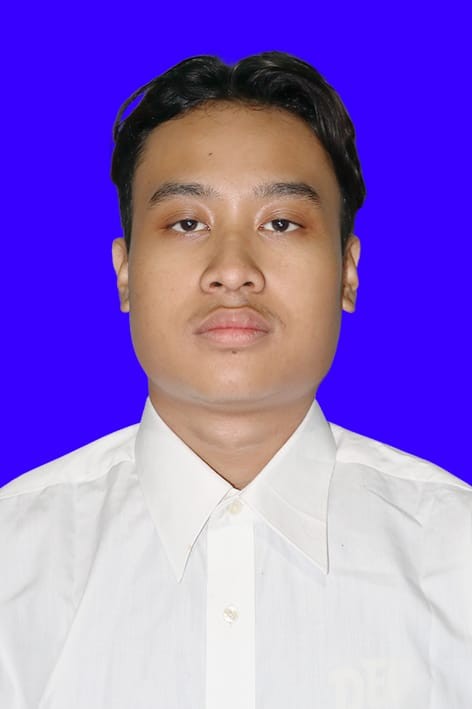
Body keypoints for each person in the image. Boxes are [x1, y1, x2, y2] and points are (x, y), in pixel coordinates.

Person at [0, 51, 470, 709]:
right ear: (125, 273)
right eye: (187, 223)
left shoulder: (456, 556)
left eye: (281, 222)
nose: (232, 270)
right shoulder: (14, 558)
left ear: (347, 272)